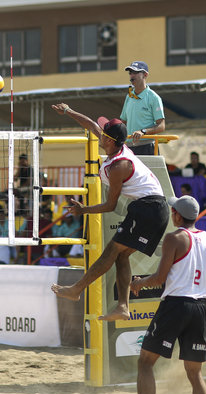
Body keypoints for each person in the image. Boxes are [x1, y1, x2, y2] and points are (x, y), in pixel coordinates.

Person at [49, 105, 169, 321]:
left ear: (110, 140)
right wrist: (68, 111)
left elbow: (110, 205)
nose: (99, 134)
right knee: (121, 256)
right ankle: (122, 307)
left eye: (103, 134)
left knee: (111, 251)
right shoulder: (116, 148)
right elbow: (91, 124)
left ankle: (77, 289)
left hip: (149, 208)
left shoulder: (118, 166)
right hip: (152, 208)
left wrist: (82, 210)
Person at [130, 195, 206, 394]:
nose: (171, 213)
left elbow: (160, 278)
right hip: (200, 308)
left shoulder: (174, 238)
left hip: (176, 305)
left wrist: (139, 283)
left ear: (178, 215)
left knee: (145, 363)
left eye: (173, 211)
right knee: (195, 373)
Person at [120, 60, 165, 155]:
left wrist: (143, 131)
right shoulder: (129, 96)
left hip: (147, 146)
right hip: (129, 147)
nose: (132, 75)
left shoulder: (154, 98)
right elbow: (123, 122)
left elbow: (161, 126)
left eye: (135, 72)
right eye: (130, 73)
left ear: (145, 75)